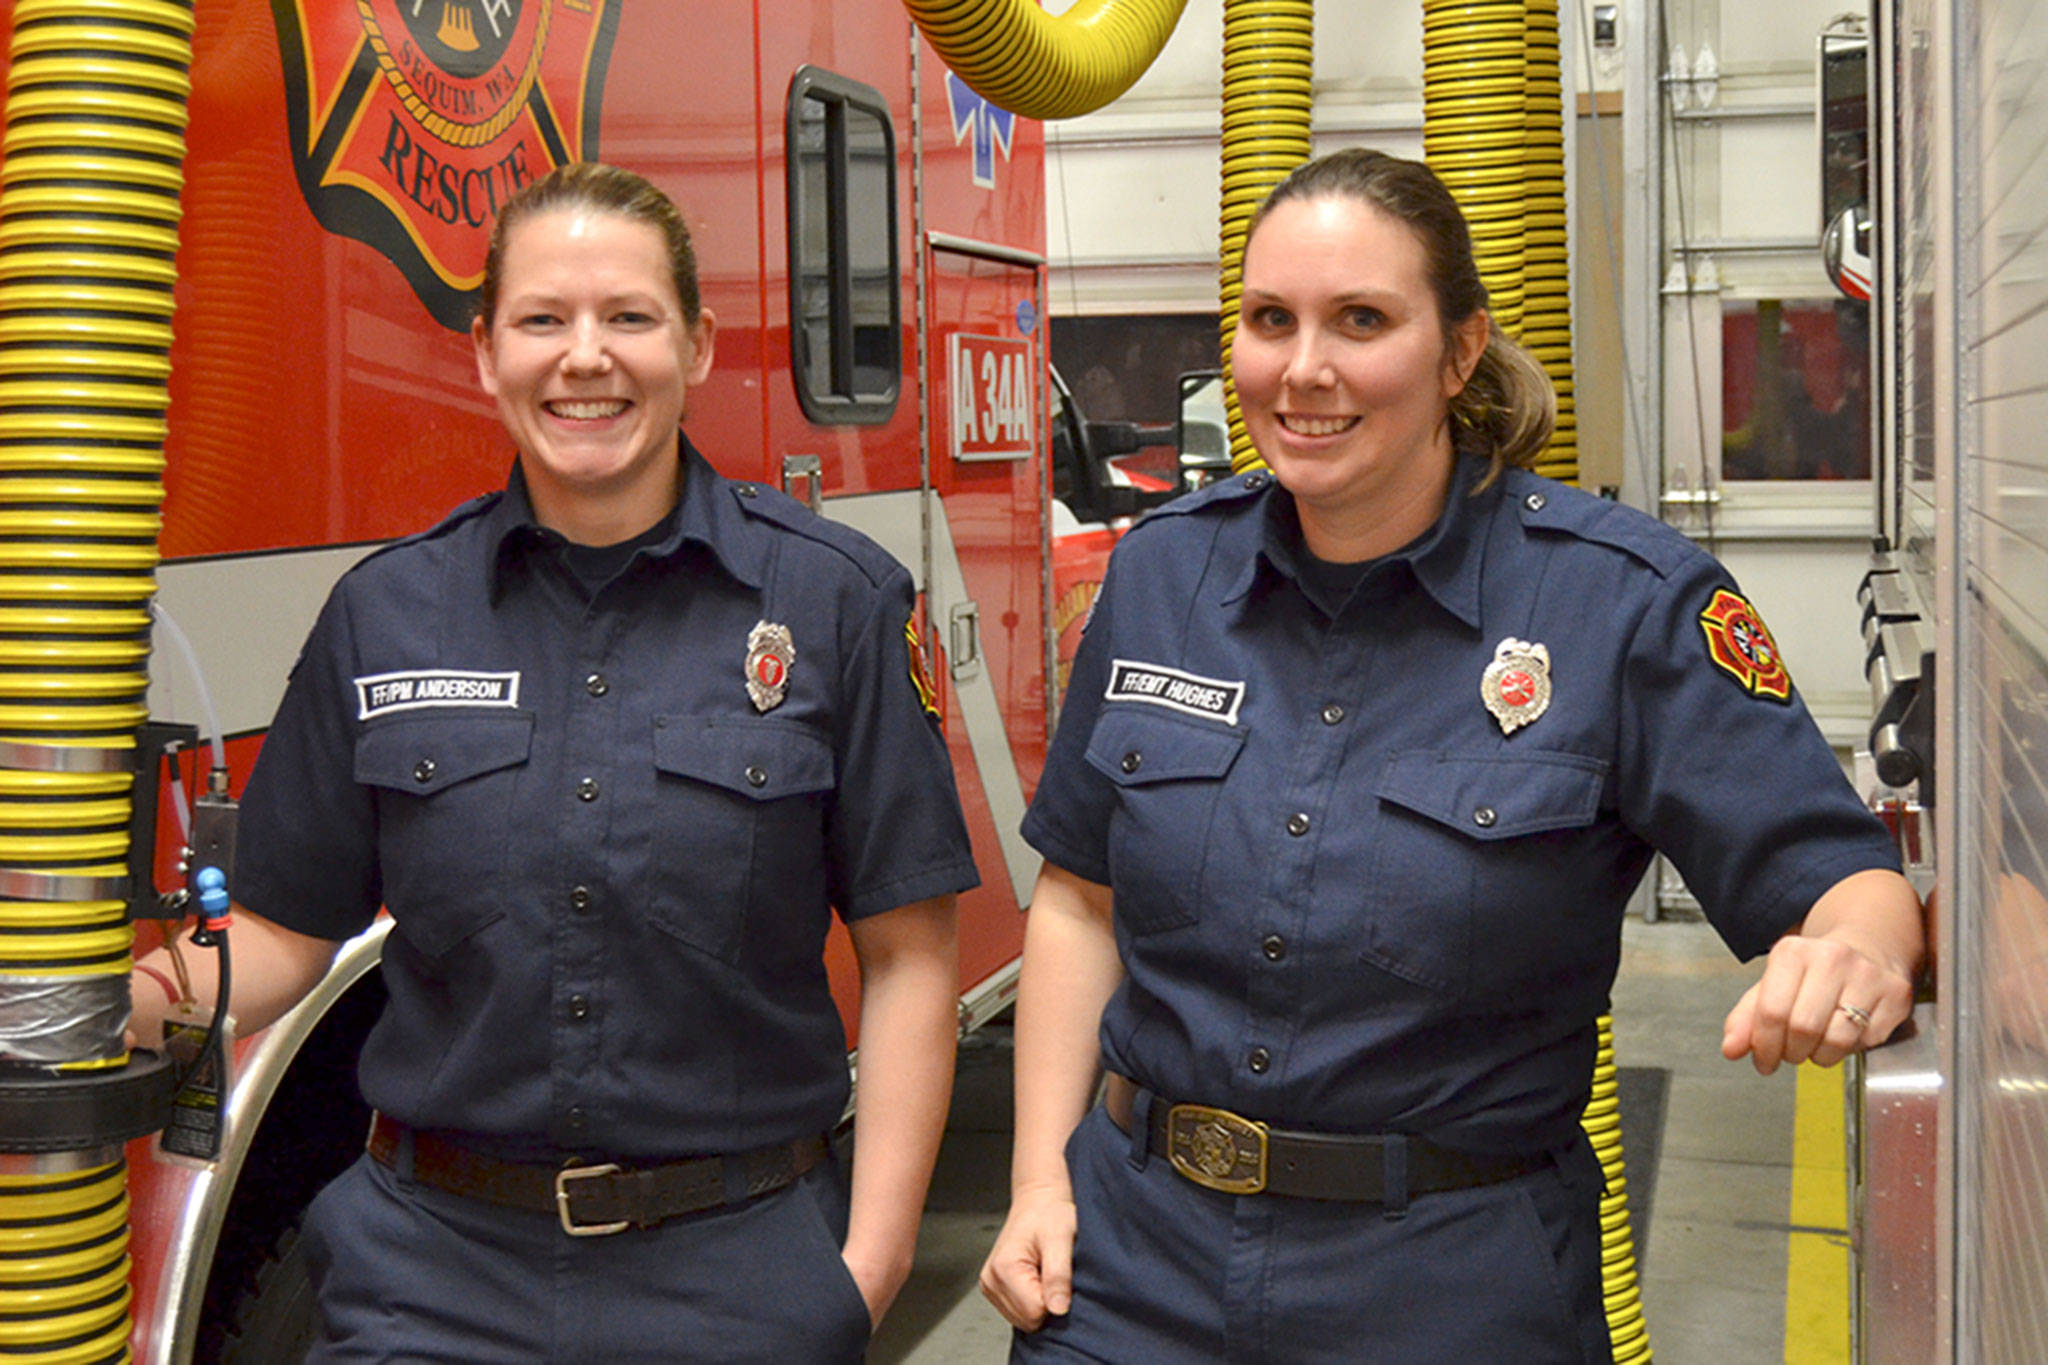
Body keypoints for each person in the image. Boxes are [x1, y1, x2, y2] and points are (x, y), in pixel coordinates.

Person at [978, 148, 1921, 1364]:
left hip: (1447, 1286)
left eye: (1359, 321)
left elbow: (1840, 880)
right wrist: (1039, 1184)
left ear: (1459, 351)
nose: (1302, 369)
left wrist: (1855, 949)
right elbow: (1078, 898)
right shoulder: (1163, 572)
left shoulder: (1620, 605)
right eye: (1270, 321)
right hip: (1129, 1270)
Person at [127, 162, 977, 1363]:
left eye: (629, 317)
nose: (586, 357)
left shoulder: (830, 604)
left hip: (735, 1269)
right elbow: (280, 933)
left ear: (695, 345)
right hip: (430, 1279)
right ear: (485, 353)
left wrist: (869, 1266)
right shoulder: (385, 614)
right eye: (543, 320)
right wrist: (115, 1003)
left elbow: (908, 957)